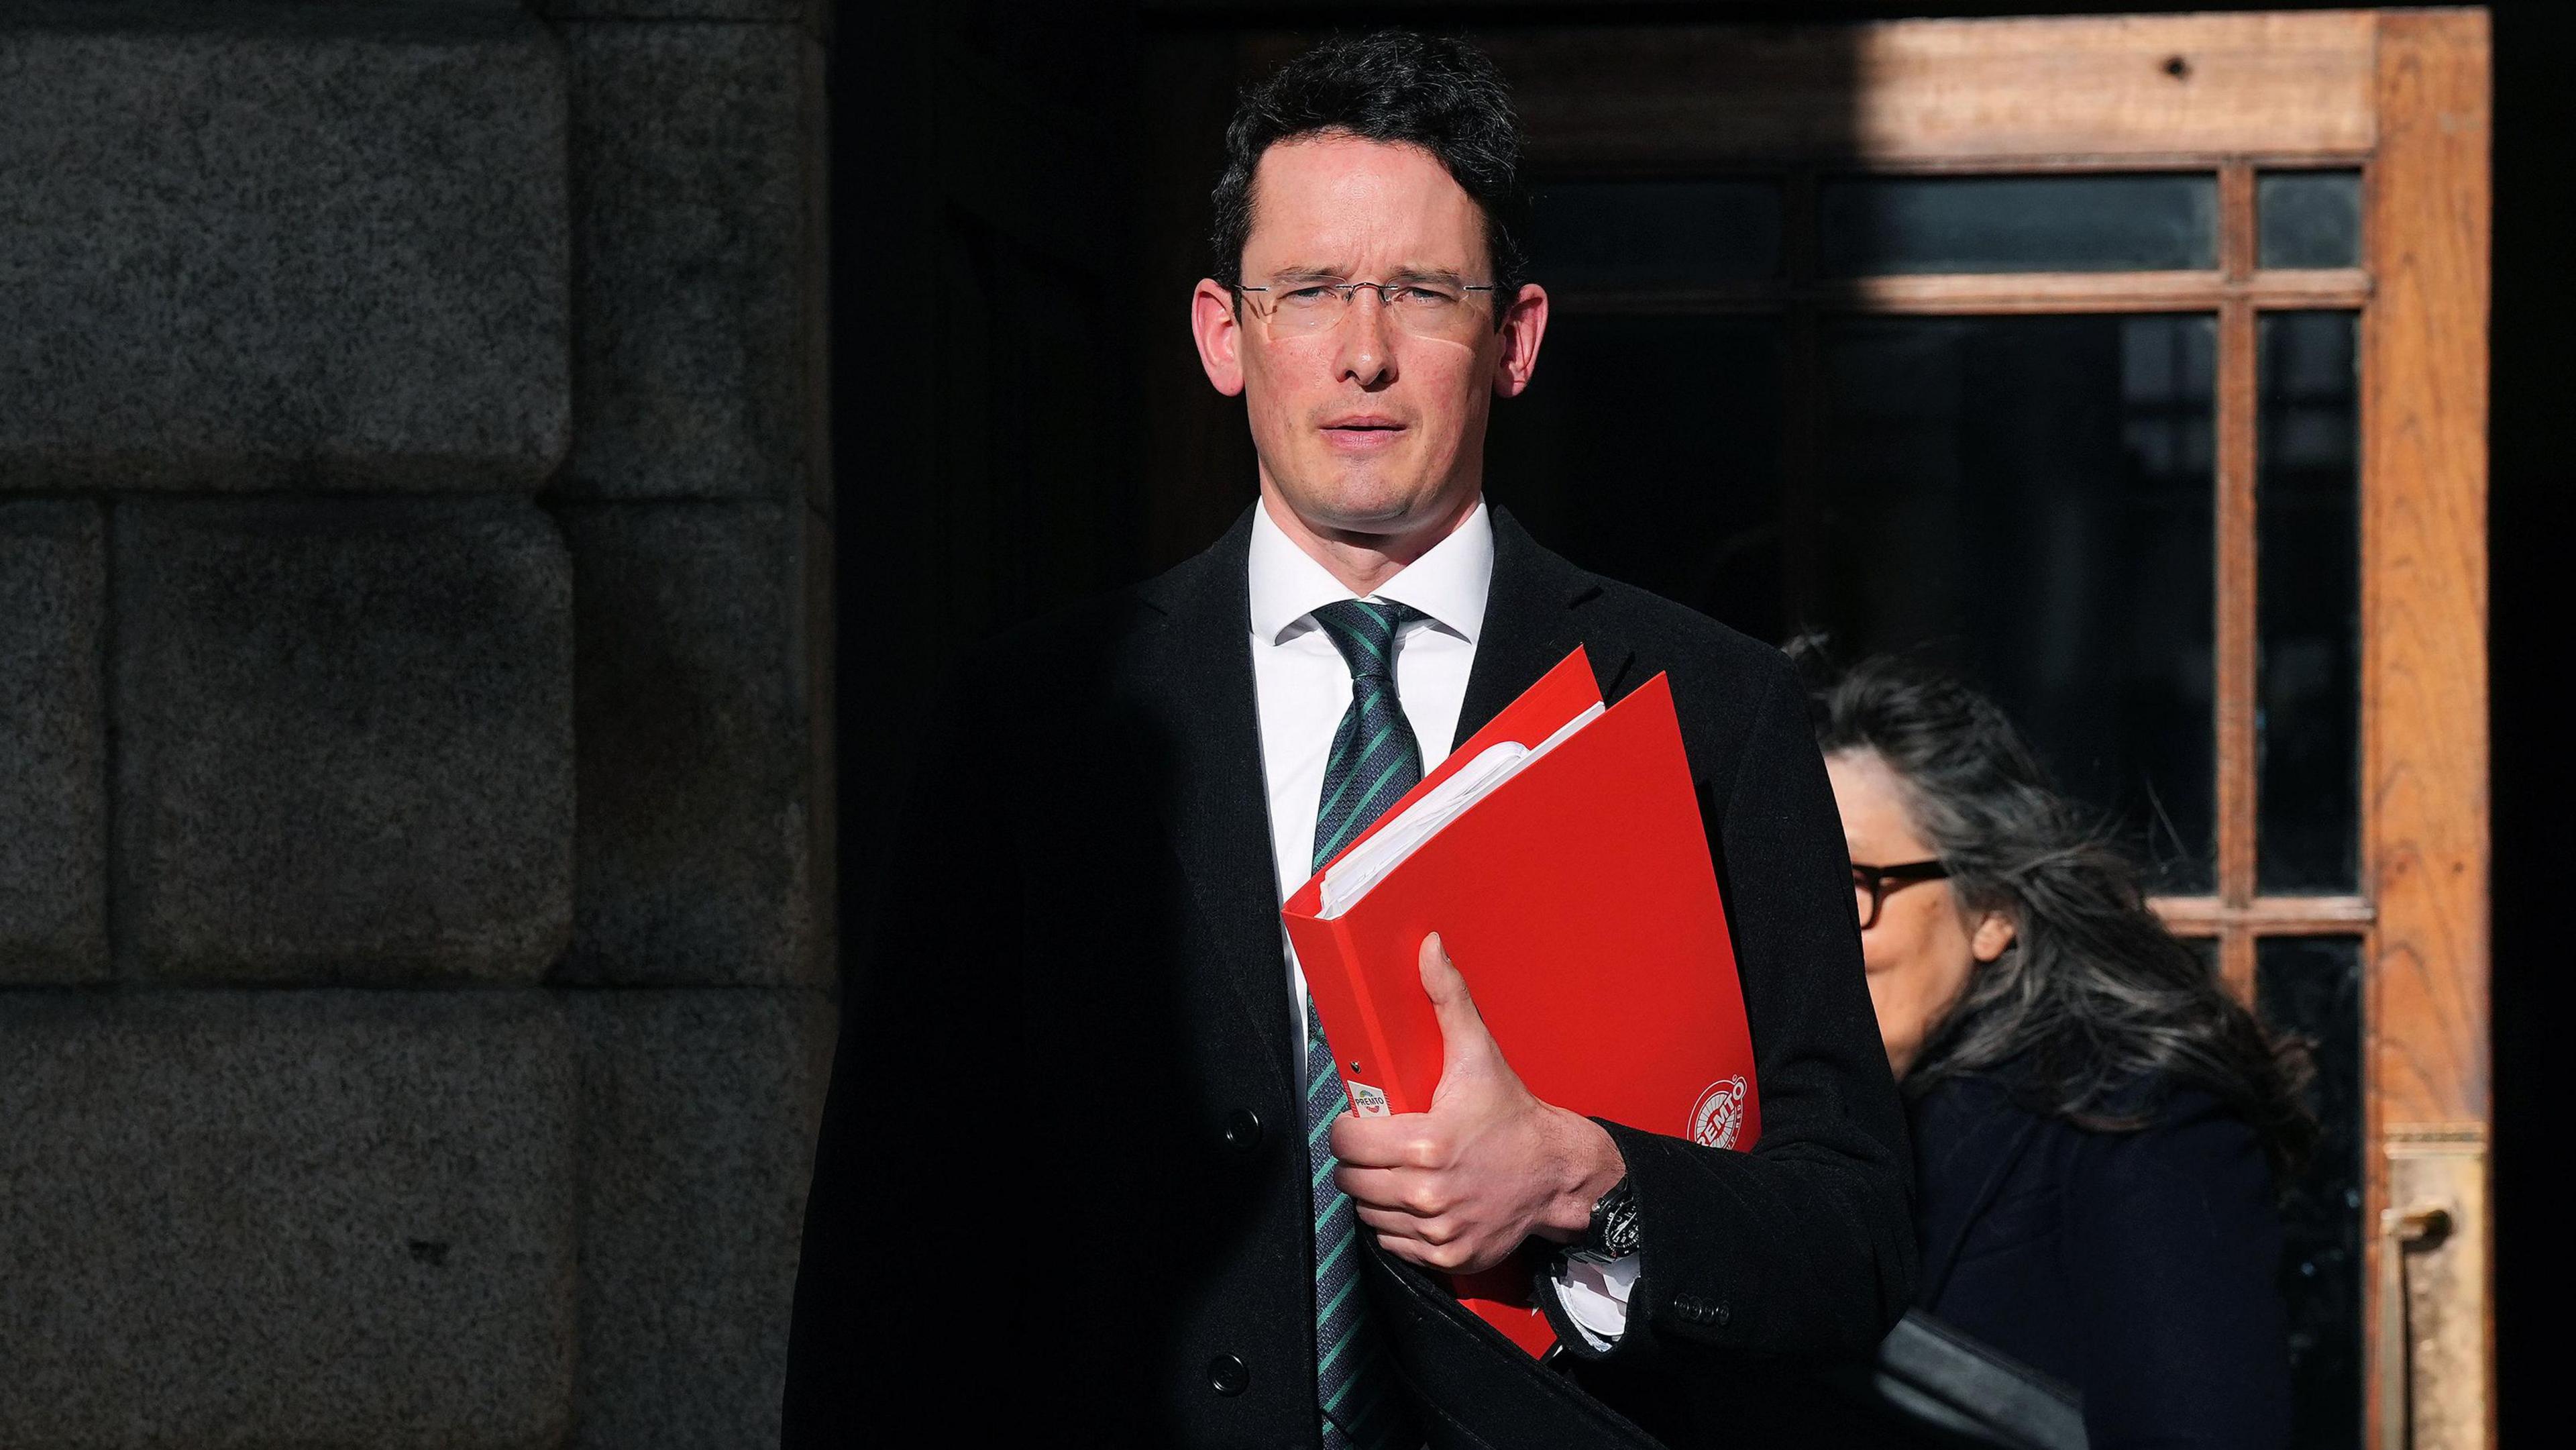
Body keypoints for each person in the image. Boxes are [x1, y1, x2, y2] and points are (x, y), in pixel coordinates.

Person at [784, 32, 1912, 1449]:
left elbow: (1856, 1230)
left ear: (1515, 339)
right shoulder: (1034, 725)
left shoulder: (1709, 707)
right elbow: (895, 1250)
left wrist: (1586, 1179)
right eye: (1309, 291)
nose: (1364, 352)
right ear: (1221, 332)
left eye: (1423, 293)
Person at [1808, 650, 2312, 1449]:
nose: (1807, 939)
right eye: (1780, 891)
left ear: (1992, 910)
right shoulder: (1765, 1120)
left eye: (1851, 888)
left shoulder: (2139, 1125)